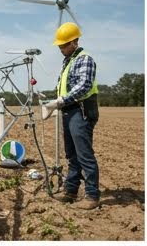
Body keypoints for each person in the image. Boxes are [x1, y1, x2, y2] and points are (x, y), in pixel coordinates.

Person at [49, 22, 101, 210]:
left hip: (81, 111)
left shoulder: (84, 59)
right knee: (72, 155)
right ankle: (71, 190)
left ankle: (92, 196)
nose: (61, 49)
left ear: (74, 41)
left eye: (64, 45)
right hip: (69, 111)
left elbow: (84, 85)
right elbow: (65, 86)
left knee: (84, 155)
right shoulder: (68, 61)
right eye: (60, 46)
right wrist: (54, 100)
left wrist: (61, 101)